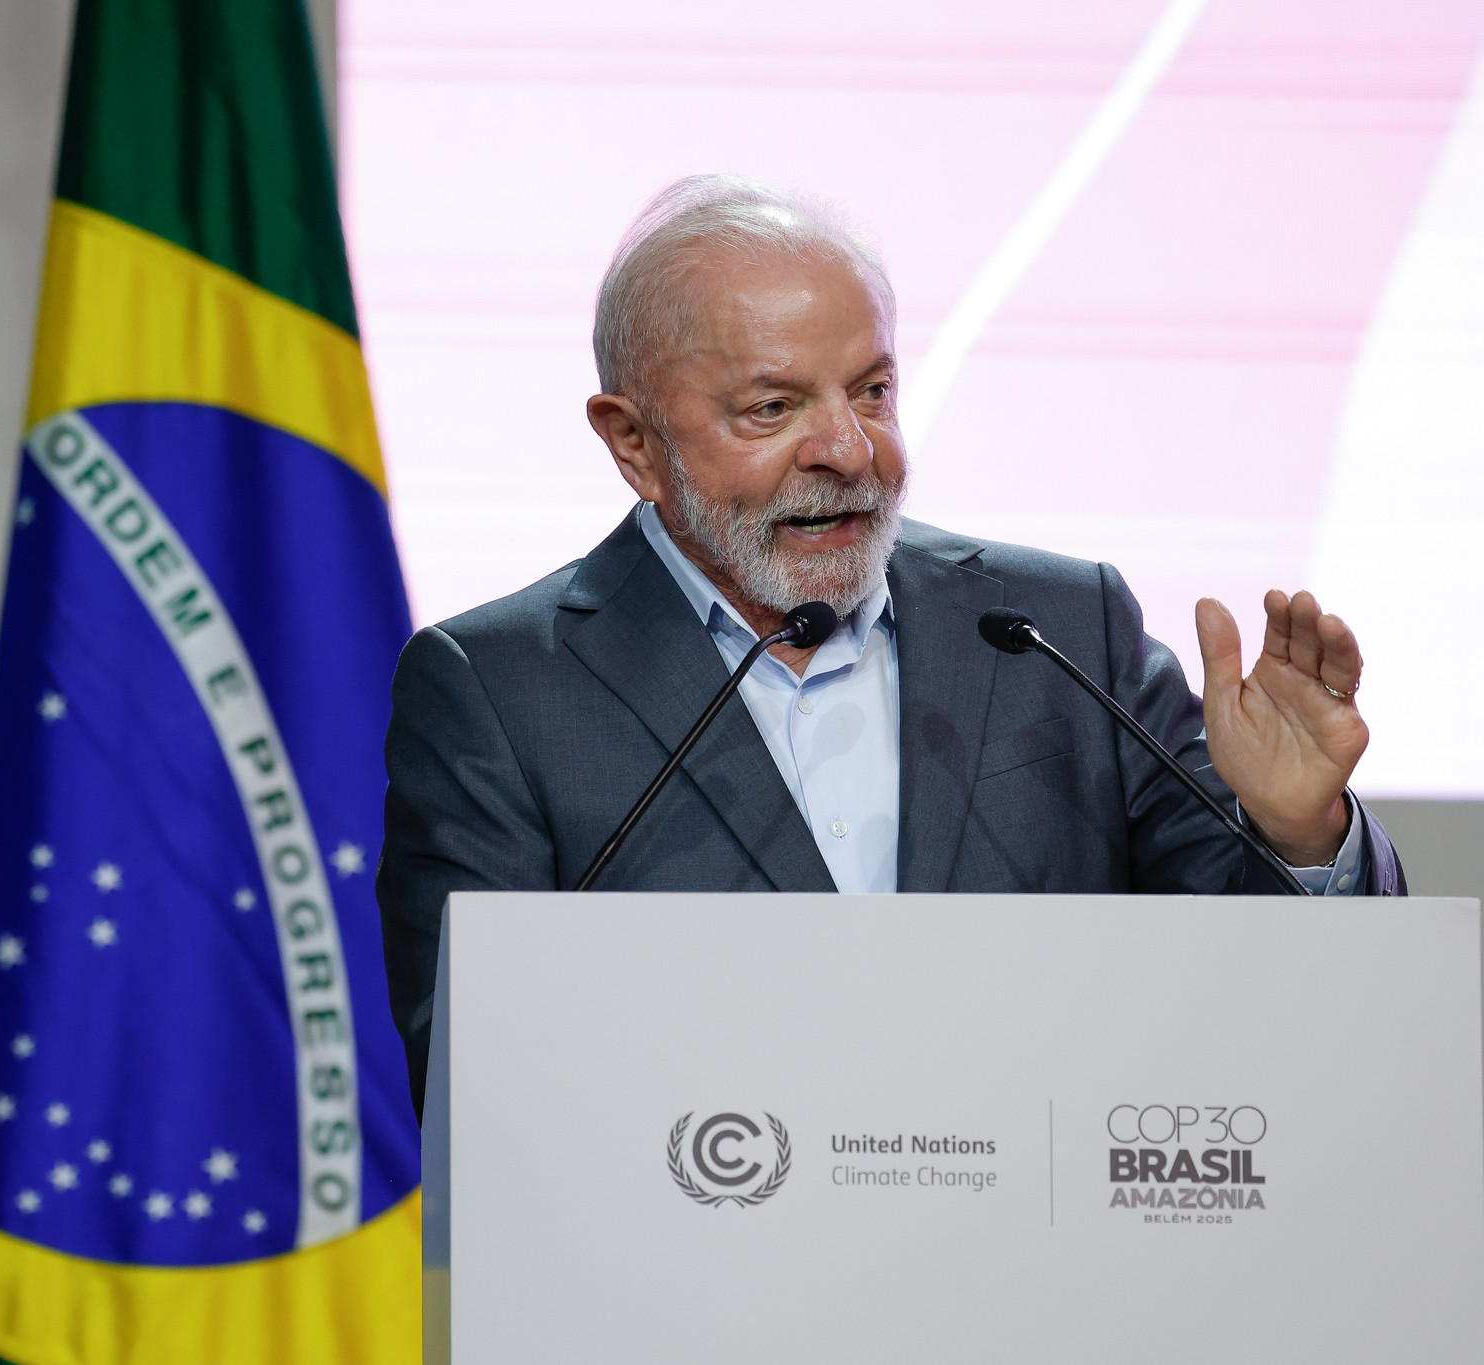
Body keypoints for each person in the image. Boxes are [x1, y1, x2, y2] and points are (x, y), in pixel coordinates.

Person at [374, 175, 1404, 1112]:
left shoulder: (1057, 628)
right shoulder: (501, 692)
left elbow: (1261, 1012)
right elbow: (476, 1087)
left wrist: (1298, 838)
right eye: (772, 408)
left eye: (870, 391)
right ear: (631, 442)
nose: (848, 450)